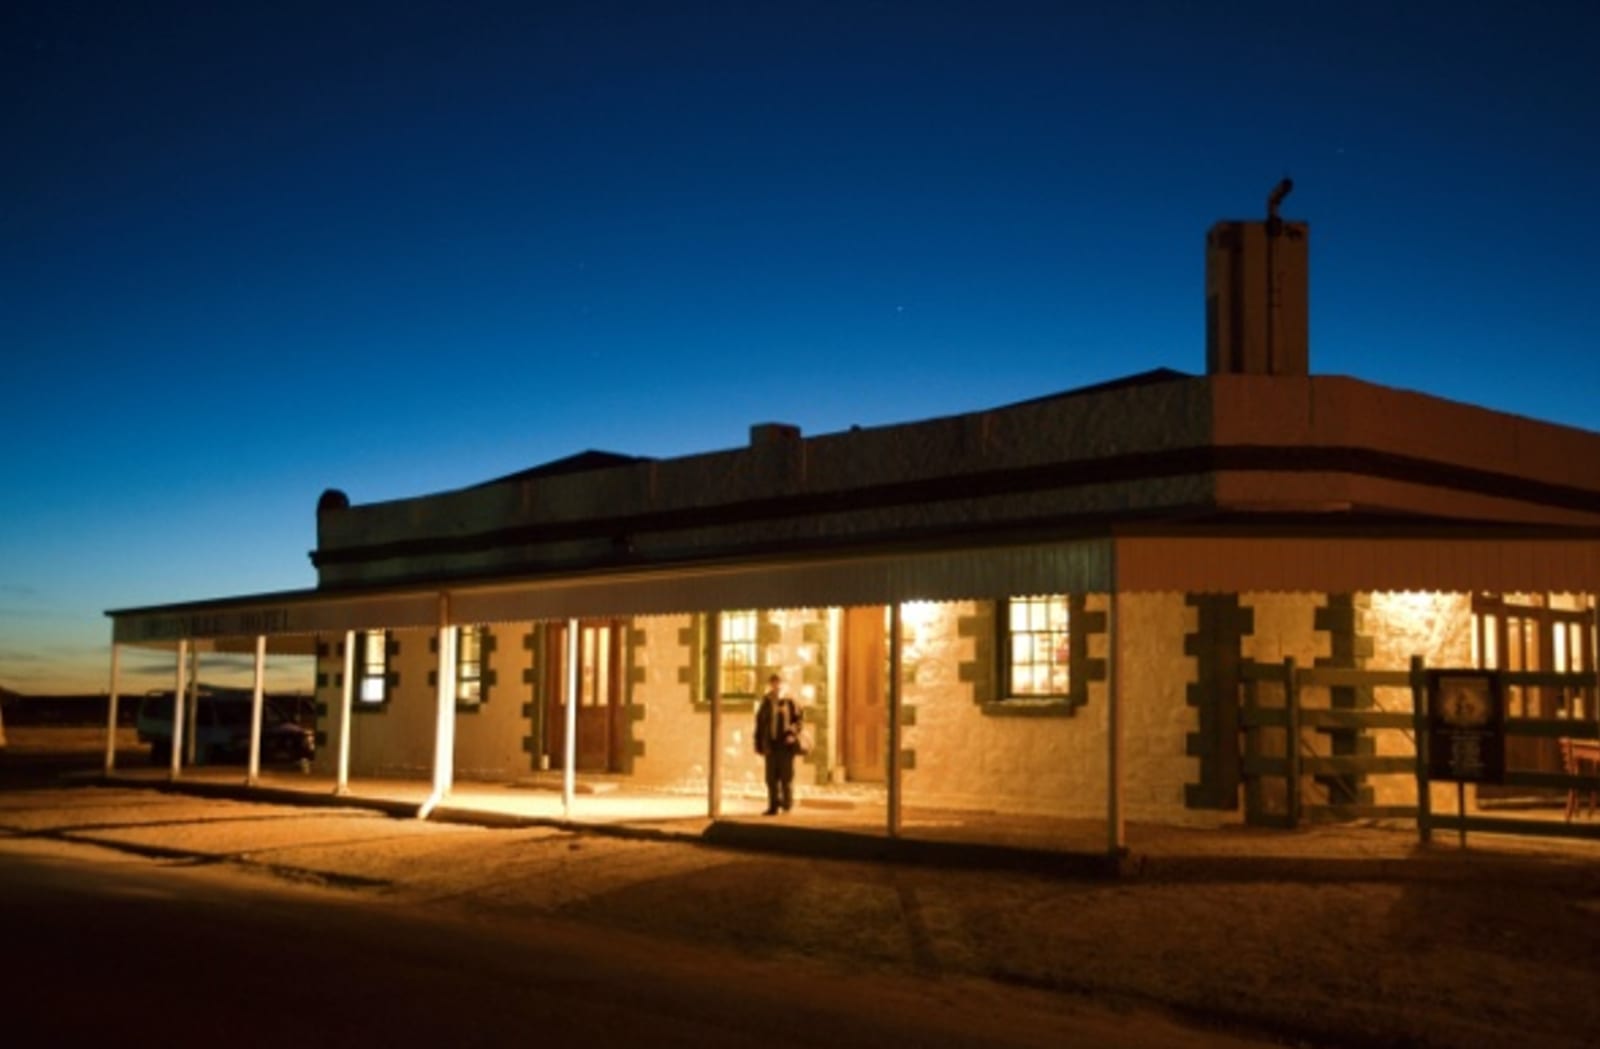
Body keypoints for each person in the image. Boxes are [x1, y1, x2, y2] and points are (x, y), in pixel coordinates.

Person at [754, 672, 802, 815]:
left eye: (779, 683)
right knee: (771, 777)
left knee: (786, 777)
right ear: (770, 685)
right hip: (770, 744)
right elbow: (760, 723)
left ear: (783, 685)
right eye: (773, 683)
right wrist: (758, 742)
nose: (776, 686)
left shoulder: (790, 701)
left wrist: (792, 734)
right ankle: (773, 806)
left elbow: (798, 721)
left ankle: (787, 805)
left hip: (785, 745)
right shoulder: (766, 702)